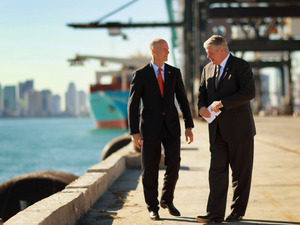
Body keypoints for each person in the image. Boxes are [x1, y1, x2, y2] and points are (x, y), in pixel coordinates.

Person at [128, 38, 194, 220]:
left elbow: (182, 100)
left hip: (172, 126)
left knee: (174, 163)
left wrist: (189, 125)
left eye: (168, 49)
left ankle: (167, 199)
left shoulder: (174, 72)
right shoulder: (141, 74)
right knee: (149, 169)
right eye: (164, 49)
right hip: (149, 128)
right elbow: (133, 104)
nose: (168, 52)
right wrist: (134, 132)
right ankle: (153, 207)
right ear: (154, 51)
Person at [196, 35, 256, 223]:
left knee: (241, 174)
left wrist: (223, 103)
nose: (208, 57)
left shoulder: (241, 66)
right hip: (216, 131)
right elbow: (202, 94)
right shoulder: (206, 70)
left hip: (240, 130)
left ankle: (237, 211)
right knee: (216, 172)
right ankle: (214, 213)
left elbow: (249, 93)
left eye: (211, 53)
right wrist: (201, 107)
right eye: (207, 53)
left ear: (222, 50)